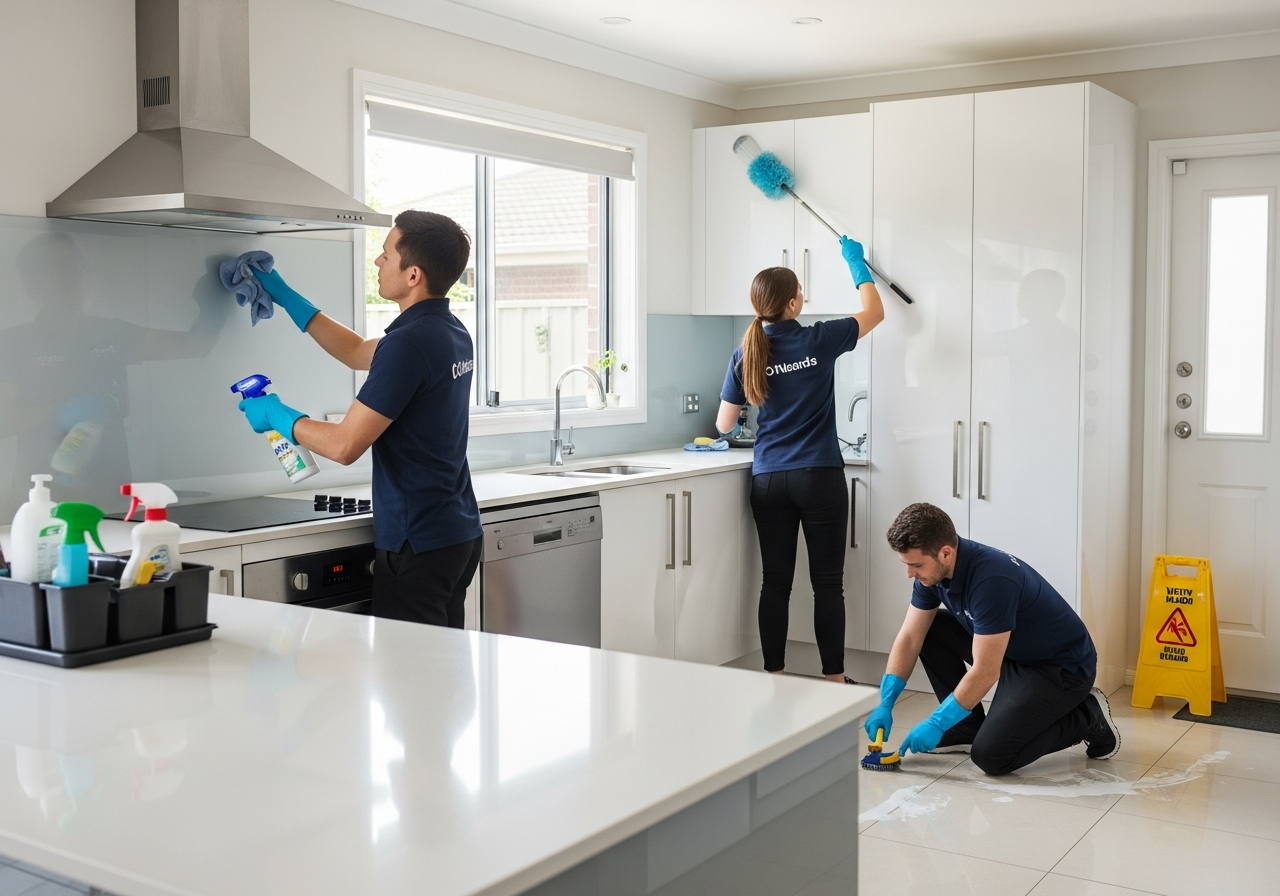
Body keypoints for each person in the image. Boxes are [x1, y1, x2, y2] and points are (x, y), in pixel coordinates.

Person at [237, 210, 482, 627]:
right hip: (455, 533)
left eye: (387, 254)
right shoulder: (448, 331)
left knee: (409, 678)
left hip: (416, 540)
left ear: (413, 275)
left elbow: (344, 446)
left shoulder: (410, 344)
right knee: (441, 675)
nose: (378, 262)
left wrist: (278, 414)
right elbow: (355, 351)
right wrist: (282, 293)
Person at [715, 237, 884, 683]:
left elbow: (724, 425)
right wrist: (855, 264)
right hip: (819, 478)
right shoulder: (820, 338)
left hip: (769, 480)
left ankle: (775, 675)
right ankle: (832, 679)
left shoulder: (746, 353)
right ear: (793, 303)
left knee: (776, 582)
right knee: (827, 584)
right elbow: (875, 312)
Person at [865, 502, 1121, 775]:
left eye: (915, 565)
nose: (910, 574)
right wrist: (885, 702)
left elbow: (986, 671)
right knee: (932, 629)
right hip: (1009, 651)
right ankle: (965, 727)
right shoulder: (933, 574)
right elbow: (909, 637)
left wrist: (938, 722)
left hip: (1058, 668)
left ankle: (1088, 717)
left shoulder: (992, 580)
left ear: (945, 553)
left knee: (992, 756)